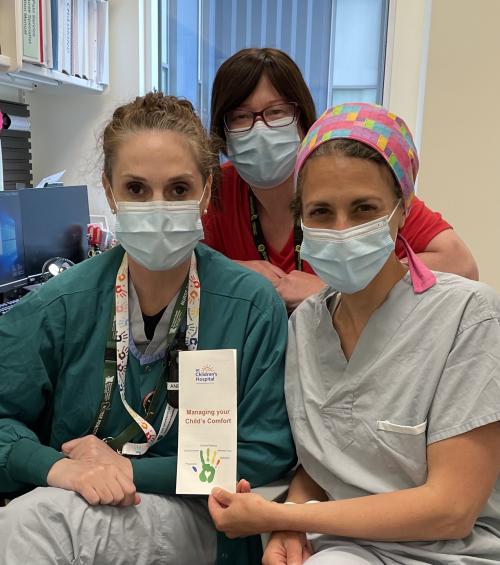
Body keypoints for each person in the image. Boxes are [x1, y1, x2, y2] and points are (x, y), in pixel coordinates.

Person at [0, 93, 295, 565]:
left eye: (178, 189)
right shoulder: (60, 306)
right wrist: (58, 468)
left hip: (205, 519)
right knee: (30, 521)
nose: (157, 207)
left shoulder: (249, 306)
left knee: (34, 521)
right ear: (110, 191)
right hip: (83, 502)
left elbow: (266, 452)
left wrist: (130, 471)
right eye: (136, 189)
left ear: (205, 193)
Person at [208, 103, 500, 564]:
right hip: (343, 547)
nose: (342, 230)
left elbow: (451, 509)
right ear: (301, 218)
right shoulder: (306, 325)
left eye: (364, 209)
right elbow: (329, 459)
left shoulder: (469, 315)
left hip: (453, 552)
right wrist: (290, 518)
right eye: (321, 212)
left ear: (402, 210)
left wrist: (285, 517)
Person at [204, 48, 478, 311]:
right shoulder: (216, 190)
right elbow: (181, 264)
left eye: (276, 112)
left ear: (303, 121)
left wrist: (336, 287)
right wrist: (232, 271)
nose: (260, 129)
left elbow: (461, 265)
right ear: (222, 133)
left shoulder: (339, 183)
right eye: (240, 117)